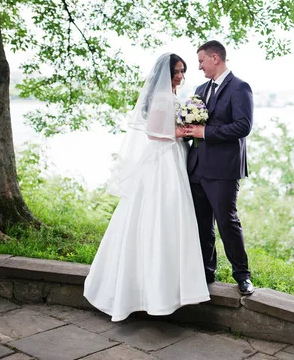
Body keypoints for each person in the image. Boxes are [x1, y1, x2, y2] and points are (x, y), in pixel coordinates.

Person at [84, 53, 210, 322]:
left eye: (183, 71)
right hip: (162, 160)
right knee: (159, 215)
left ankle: (168, 290)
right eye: (176, 71)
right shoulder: (163, 98)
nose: (180, 76)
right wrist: (185, 131)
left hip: (174, 156)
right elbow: (153, 132)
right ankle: (154, 293)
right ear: (165, 73)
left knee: (172, 218)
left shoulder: (173, 96)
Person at [184, 40, 255, 295]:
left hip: (223, 171)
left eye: (201, 61)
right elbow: (192, 122)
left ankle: (243, 276)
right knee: (202, 224)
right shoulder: (200, 89)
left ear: (215, 58)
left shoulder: (240, 88)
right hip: (197, 169)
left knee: (227, 223)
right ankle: (206, 272)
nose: (199, 67)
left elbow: (243, 126)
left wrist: (206, 132)